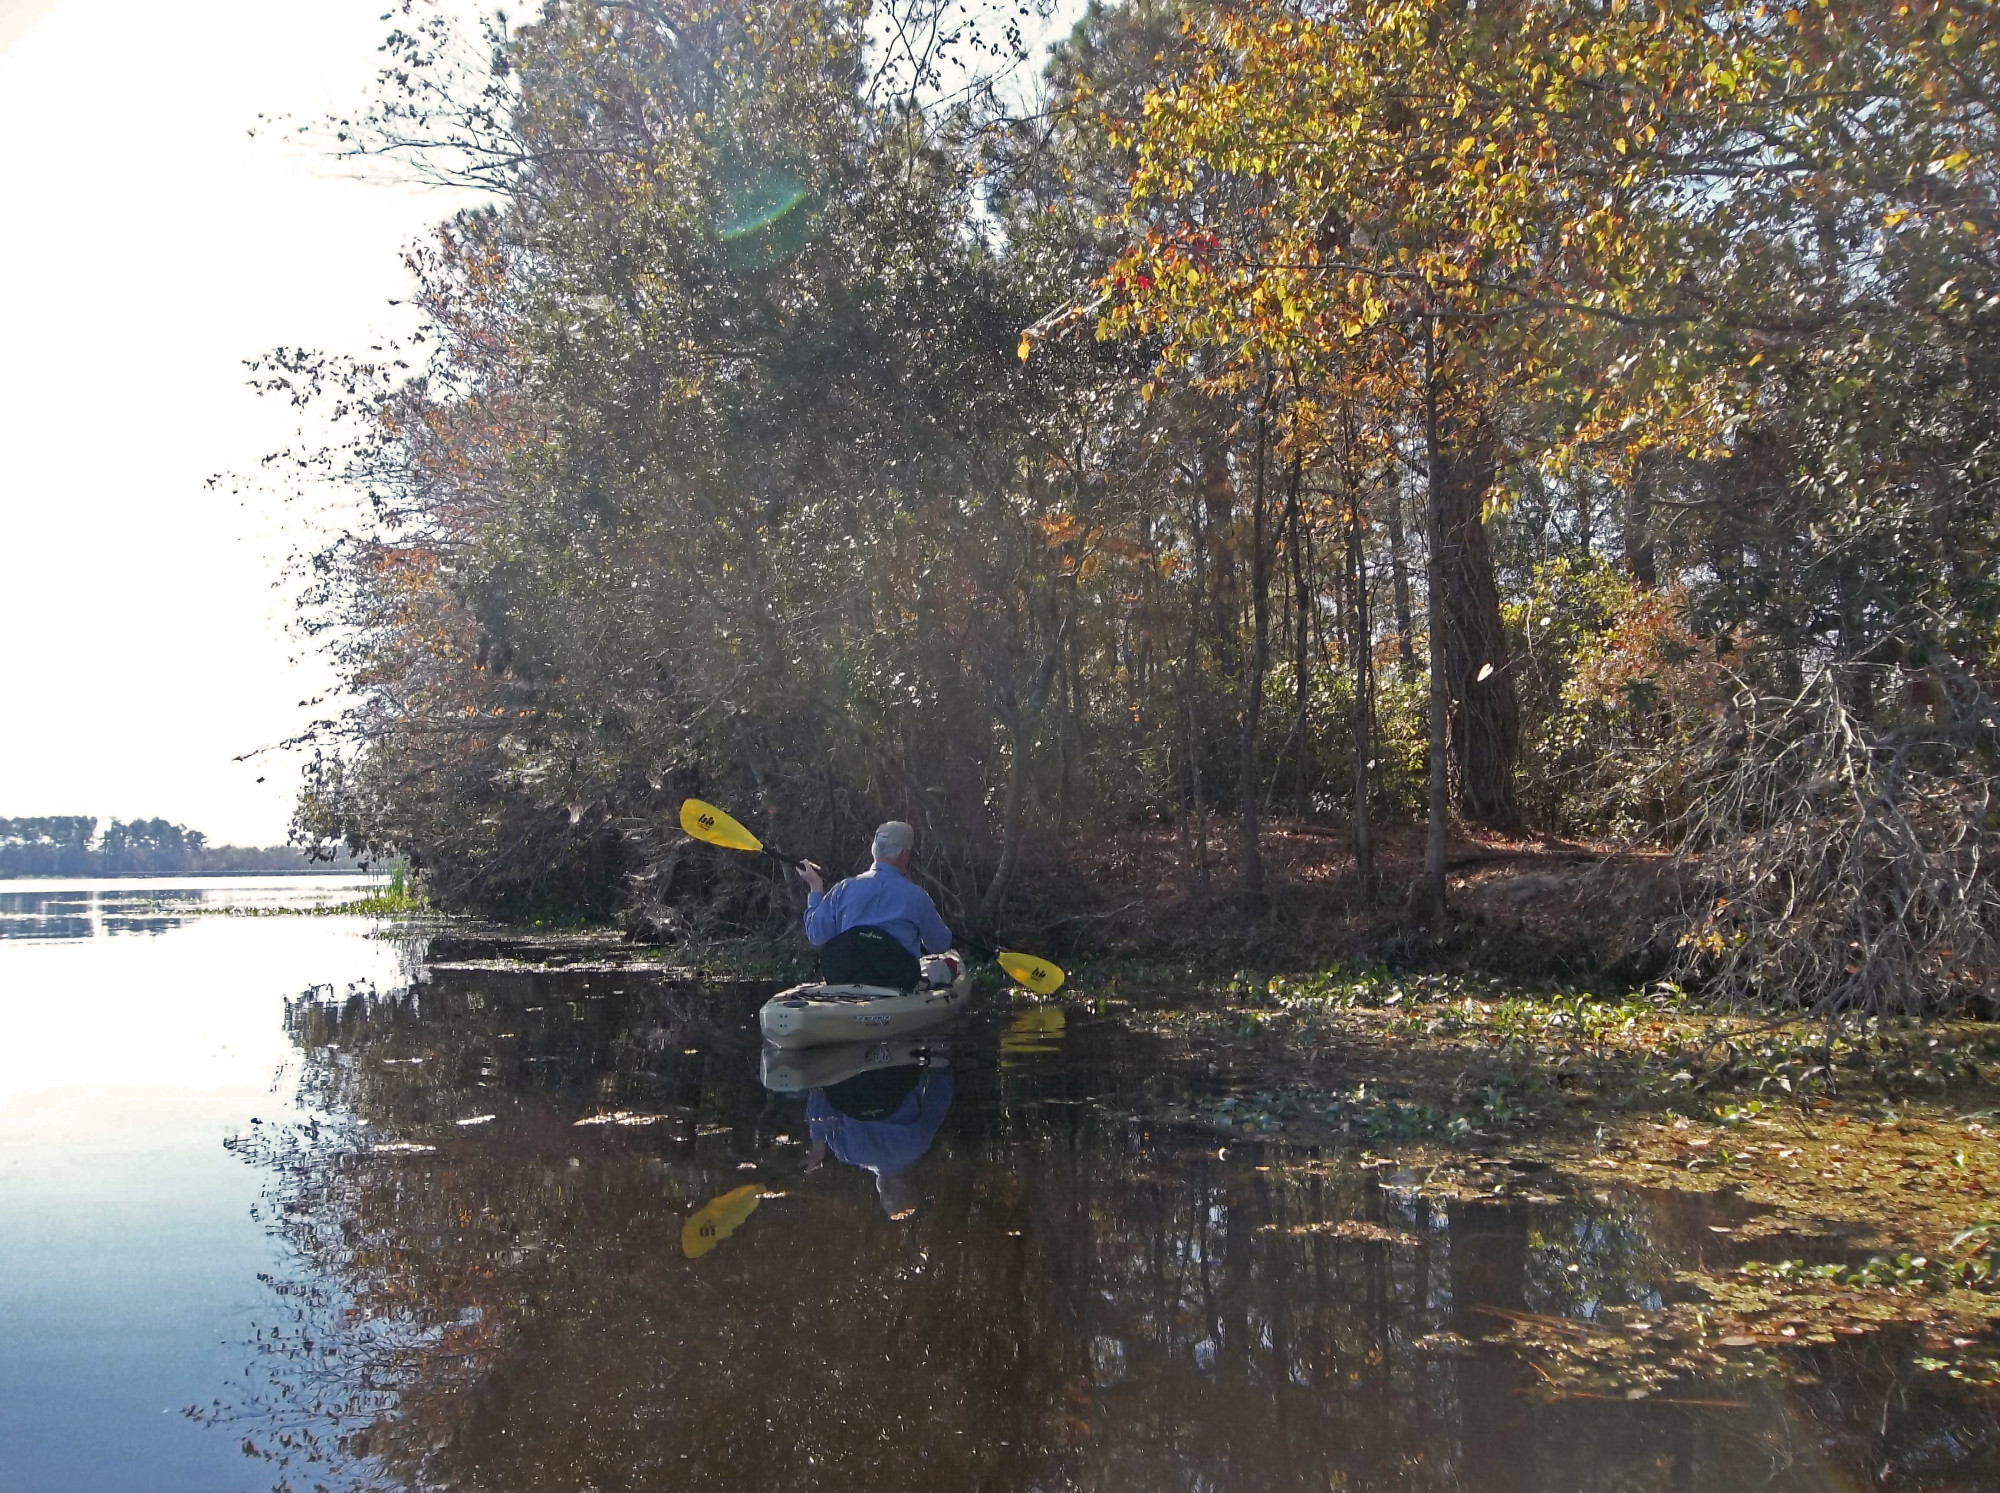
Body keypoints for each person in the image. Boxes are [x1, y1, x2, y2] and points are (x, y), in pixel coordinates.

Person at [798, 821, 952, 988]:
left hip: (848, 983)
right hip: (897, 984)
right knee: (945, 967)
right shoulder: (917, 897)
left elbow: (816, 934)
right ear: (904, 854)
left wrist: (815, 886)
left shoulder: (843, 889)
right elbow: (940, 945)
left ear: (874, 850)